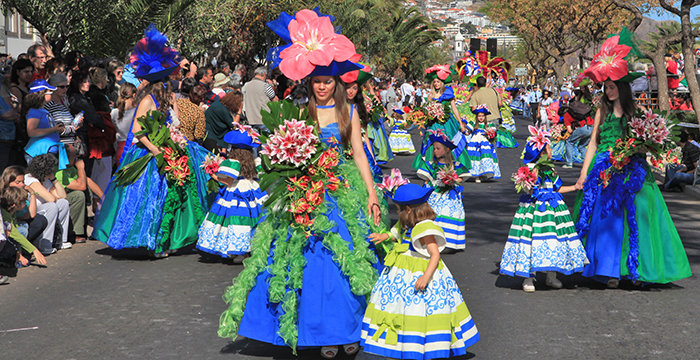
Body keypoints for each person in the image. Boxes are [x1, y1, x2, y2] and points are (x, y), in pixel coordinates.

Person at [218, 9, 386, 358]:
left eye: (328, 81)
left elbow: (357, 154)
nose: (322, 86)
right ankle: (319, 331)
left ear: (337, 83)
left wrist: (371, 193)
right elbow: (283, 150)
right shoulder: (299, 111)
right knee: (309, 261)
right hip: (304, 191)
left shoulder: (348, 113)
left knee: (345, 260)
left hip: (341, 191)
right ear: (309, 82)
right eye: (317, 81)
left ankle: (347, 328)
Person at [574, 36, 692, 288]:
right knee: (605, 217)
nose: (608, 90)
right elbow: (593, 143)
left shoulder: (635, 111)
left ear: (623, 86)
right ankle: (609, 270)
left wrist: (638, 147)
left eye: (612, 85)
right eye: (605, 86)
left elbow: (645, 140)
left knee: (636, 217)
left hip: (632, 168)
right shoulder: (601, 110)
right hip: (604, 169)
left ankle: (637, 269)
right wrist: (584, 174)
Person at [93, 25, 211, 258]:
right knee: (150, 200)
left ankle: (169, 240)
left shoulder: (167, 99)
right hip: (148, 152)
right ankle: (152, 242)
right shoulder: (147, 101)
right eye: (168, 82)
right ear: (160, 83)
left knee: (174, 194)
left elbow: (173, 124)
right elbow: (138, 131)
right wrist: (157, 151)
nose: (172, 86)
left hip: (167, 148)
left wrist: (174, 138)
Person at [361, 180, 480, 357]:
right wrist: (384, 236)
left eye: (399, 209)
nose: (398, 212)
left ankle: (423, 343)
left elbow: (435, 255)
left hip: (422, 270)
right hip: (402, 269)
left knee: (419, 307)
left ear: (409, 209)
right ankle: (404, 341)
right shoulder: (407, 224)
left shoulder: (425, 228)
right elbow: (396, 233)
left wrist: (425, 277)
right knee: (399, 305)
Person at [500, 126, 588, 292]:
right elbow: (529, 191)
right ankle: (528, 276)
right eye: (548, 148)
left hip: (553, 210)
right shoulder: (528, 171)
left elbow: (557, 189)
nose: (551, 150)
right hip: (534, 211)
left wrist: (575, 187)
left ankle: (551, 275)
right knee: (532, 240)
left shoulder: (551, 170)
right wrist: (529, 178)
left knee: (554, 240)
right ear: (540, 152)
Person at [197, 127, 266, 260]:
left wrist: (212, 174)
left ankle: (234, 249)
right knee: (252, 217)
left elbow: (227, 181)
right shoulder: (254, 161)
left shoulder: (233, 163)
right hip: (251, 189)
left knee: (230, 220)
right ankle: (250, 246)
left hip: (235, 192)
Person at [416, 131, 469, 252]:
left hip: (450, 195)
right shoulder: (431, 165)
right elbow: (426, 177)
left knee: (450, 213)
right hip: (436, 194)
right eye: (434, 148)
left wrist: (454, 179)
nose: (435, 151)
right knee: (435, 214)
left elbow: (462, 177)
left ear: (447, 150)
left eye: (438, 148)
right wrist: (428, 182)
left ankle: (450, 241)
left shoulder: (455, 165)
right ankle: (433, 240)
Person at [412, 64, 468, 173]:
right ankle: (431, 168)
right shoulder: (430, 95)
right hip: (433, 122)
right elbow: (426, 109)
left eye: (438, 81)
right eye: (434, 82)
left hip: (447, 122)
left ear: (441, 82)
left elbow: (454, 109)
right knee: (432, 142)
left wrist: (460, 123)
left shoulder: (448, 93)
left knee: (448, 142)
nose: (436, 84)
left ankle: (451, 166)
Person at [24, 153, 71, 253]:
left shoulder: (44, 179)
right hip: (32, 213)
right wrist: (54, 196)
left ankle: (60, 240)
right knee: (52, 206)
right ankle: (44, 244)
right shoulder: (30, 179)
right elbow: (51, 199)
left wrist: (53, 179)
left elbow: (62, 196)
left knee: (63, 203)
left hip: (44, 211)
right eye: (50, 170)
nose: (52, 171)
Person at [1, 165, 49, 254]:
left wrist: (32, 193)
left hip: (16, 224)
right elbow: (12, 229)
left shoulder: (20, 195)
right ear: (8, 182)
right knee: (23, 229)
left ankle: (21, 251)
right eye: (18, 182)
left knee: (37, 221)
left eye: (23, 182)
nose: (22, 185)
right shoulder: (4, 199)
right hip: (7, 229)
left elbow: (30, 215)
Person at [23, 79, 70, 168]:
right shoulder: (34, 111)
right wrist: (53, 129)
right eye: (49, 91)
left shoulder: (43, 110)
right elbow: (31, 132)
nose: (51, 94)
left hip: (47, 152)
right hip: (38, 154)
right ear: (41, 94)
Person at [1, 187, 48, 268]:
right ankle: (3, 258)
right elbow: (16, 235)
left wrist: (18, 255)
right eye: (23, 201)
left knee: (24, 225)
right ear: (15, 204)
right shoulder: (5, 215)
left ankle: (14, 256)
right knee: (22, 230)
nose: (26, 203)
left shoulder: (13, 213)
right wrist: (34, 250)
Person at [45, 74, 81, 150]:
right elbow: (57, 129)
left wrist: (78, 122)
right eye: (62, 87)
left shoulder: (64, 105)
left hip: (70, 147)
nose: (65, 89)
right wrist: (74, 128)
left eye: (67, 86)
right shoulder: (48, 106)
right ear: (53, 87)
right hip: (58, 148)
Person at [466, 105, 500, 182]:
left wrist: (490, 134)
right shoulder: (474, 124)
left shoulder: (489, 125)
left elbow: (493, 133)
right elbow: (468, 132)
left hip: (485, 143)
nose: (481, 118)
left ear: (485, 117)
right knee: (475, 157)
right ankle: (476, 175)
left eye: (482, 116)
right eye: (479, 116)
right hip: (475, 142)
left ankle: (482, 174)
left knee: (484, 157)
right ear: (477, 117)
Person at [242, 67, 275, 135]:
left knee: (254, 141)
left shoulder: (246, 85)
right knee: (265, 142)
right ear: (264, 74)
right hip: (264, 119)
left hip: (251, 119)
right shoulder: (265, 86)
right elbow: (274, 98)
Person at [111, 82, 137, 163]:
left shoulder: (114, 113)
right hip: (135, 149)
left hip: (120, 149)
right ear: (134, 95)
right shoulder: (138, 111)